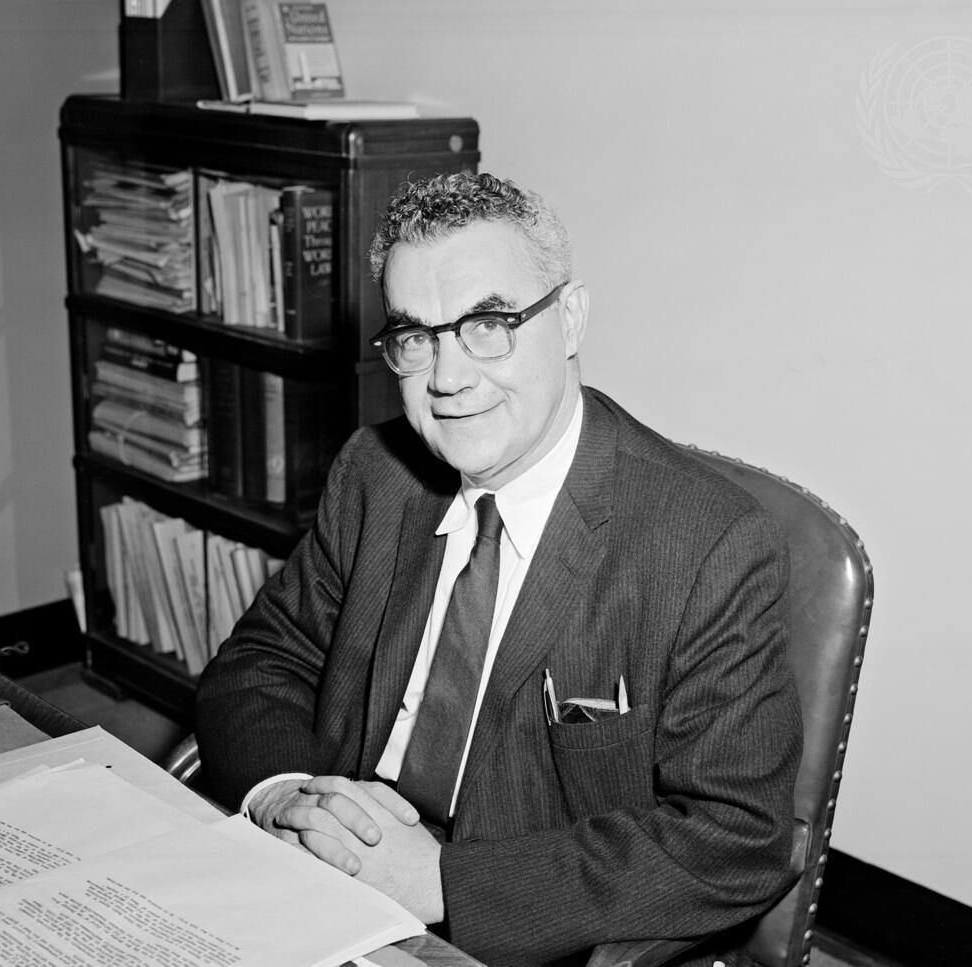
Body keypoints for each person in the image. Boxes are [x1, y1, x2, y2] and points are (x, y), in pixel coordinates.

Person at [195, 172, 802, 967]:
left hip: (521, 929)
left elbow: (738, 838)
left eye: (487, 324)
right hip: (329, 876)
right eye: (416, 336)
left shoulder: (707, 543)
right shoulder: (375, 473)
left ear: (570, 318)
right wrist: (290, 797)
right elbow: (259, 662)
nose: (447, 379)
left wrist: (446, 883)